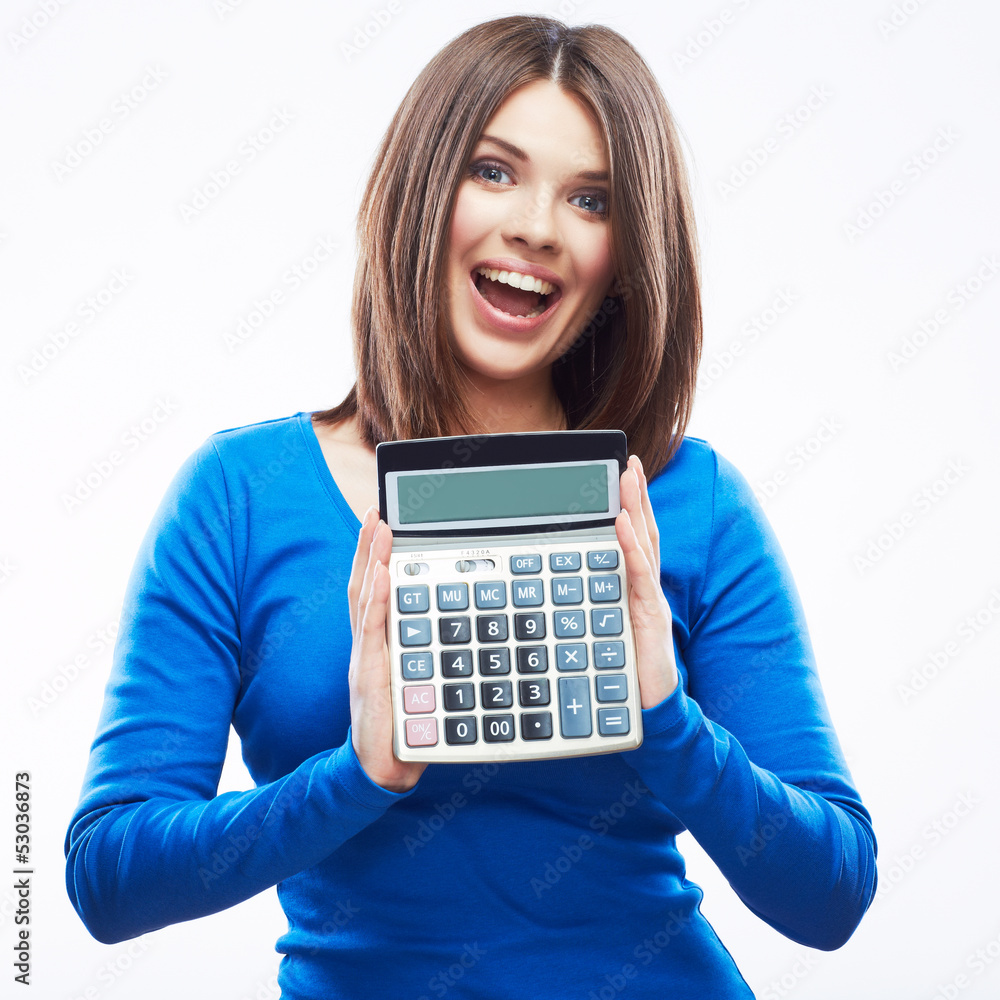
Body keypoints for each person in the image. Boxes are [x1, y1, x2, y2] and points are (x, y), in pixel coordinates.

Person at [65, 15, 877, 998]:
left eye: (590, 198)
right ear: (420, 189)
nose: (536, 224)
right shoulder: (241, 496)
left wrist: (668, 719)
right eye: (494, 171)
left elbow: (833, 892)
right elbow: (108, 874)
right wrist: (355, 775)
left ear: (622, 257)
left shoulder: (686, 499)